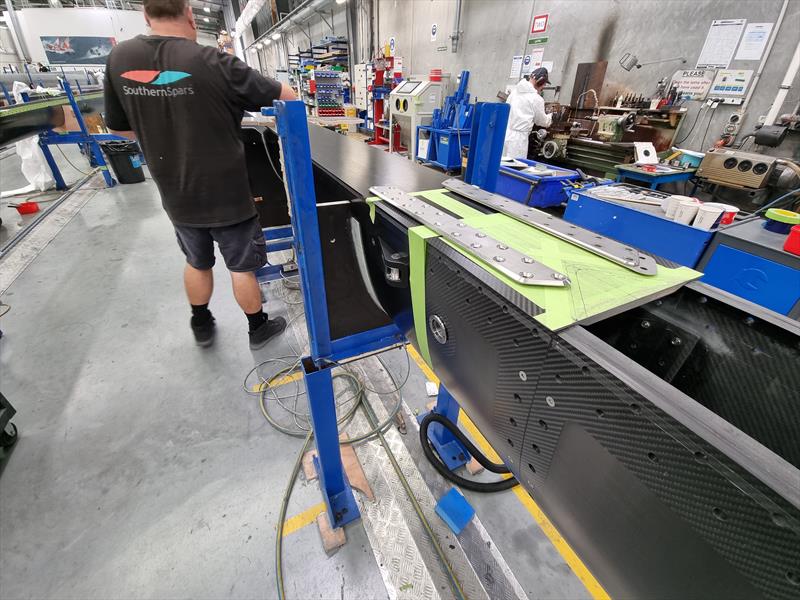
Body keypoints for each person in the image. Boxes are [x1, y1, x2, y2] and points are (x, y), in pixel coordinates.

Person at [103, 0, 296, 349]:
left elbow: (119, 128)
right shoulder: (213, 61)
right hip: (228, 194)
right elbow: (287, 96)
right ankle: (258, 328)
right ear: (190, 15)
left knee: (197, 261)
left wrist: (160, 132)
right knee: (241, 268)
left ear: (146, 16)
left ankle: (202, 323)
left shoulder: (119, 59)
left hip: (176, 193)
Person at [503, 67, 552, 158]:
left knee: (501, 165)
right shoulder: (536, 99)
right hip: (518, 141)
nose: (543, 87)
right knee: (515, 168)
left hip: (505, 134)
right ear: (540, 82)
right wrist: (550, 117)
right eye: (544, 84)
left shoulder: (514, 92)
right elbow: (542, 121)